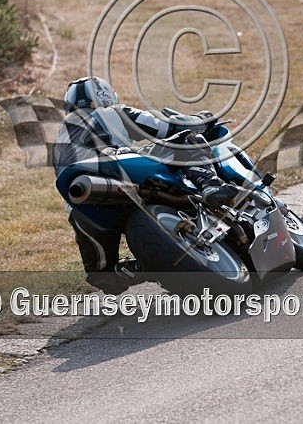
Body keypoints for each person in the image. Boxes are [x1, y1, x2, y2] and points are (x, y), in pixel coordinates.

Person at [52, 76, 241, 294]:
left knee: (105, 278)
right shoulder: (110, 113)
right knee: (188, 138)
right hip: (118, 168)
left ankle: (145, 267)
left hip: (82, 207)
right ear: (106, 96)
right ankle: (210, 187)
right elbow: (167, 127)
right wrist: (203, 119)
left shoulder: (58, 141)